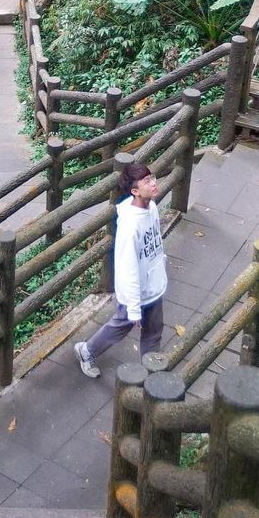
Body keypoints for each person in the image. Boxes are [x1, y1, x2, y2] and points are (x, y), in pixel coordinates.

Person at [74, 161, 167, 378]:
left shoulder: (152, 207)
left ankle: (152, 374)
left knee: (154, 331)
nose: (154, 183)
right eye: (147, 181)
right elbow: (128, 269)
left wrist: (160, 267)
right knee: (120, 326)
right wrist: (134, 307)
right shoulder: (129, 226)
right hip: (134, 291)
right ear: (134, 191)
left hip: (153, 285)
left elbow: (154, 243)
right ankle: (86, 350)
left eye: (152, 177)